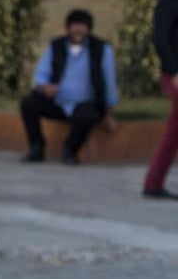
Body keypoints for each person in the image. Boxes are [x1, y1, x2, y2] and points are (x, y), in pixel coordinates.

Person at [20, 9, 117, 165]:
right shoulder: (56, 46)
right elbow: (41, 74)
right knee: (28, 103)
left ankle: (70, 150)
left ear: (89, 28)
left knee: (88, 116)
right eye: (75, 25)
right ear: (68, 27)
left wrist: (109, 113)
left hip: (85, 104)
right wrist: (45, 86)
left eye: (82, 26)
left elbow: (109, 81)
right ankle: (36, 147)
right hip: (58, 102)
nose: (78, 29)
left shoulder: (101, 49)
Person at [143, 0, 178, 200]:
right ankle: (153, 183)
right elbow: (161, 39)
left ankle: (153, 183)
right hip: (175, 74)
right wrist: (175, 72)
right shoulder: (168, 2)